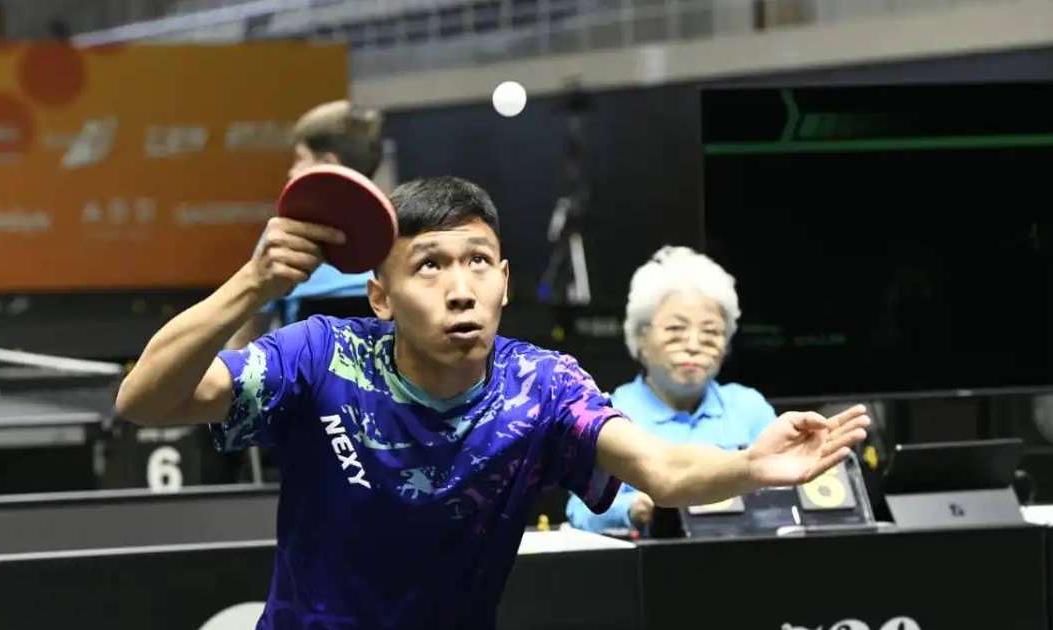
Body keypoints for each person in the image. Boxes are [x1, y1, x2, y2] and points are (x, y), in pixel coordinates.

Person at [116, 176, 870, 629]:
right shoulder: (321, 355)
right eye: (430, 265)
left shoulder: (541, 386)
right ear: (380, 295)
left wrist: (750, 464)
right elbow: (145, 400)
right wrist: (253, 285)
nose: (460, 285)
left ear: (506, 281)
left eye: (477, 261)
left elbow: (662, 470)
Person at [567, 246, 776, 533]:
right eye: (676, 329)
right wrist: (633, 509)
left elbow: (783, 498)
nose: (693, 343)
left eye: (711, 331)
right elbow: (580, 510)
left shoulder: (750, 409)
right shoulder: (610, 414)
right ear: (641, 338)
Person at [225, 99, 385, 350]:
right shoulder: (397, 231)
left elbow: (243, 341)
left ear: (327, 164)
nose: (292, 171)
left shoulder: (283, 235)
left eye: (299, 158)